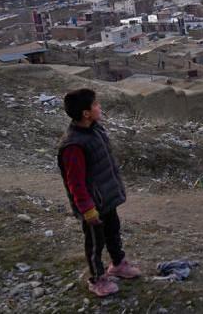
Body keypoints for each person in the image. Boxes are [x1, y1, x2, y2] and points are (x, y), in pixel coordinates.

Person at [57, 88, 141, 298]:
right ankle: (97, 279)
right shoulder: (73, 145)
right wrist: (87, 209)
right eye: (95, 104)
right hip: (92, 207)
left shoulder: (94, 129)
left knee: (113, 231)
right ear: (86, 113)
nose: (99, 107)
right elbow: (75, 183)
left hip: (106, 198)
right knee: (95, 243)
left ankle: (118, 264)